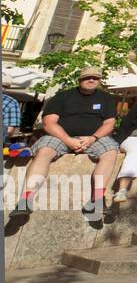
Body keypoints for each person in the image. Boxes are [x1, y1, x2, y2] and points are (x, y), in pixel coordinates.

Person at [15, 68, 119, 218]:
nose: (91, 80)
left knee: (110, 151)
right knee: (44, 151)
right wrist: (68, 140)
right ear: (80, 79)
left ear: (99, 80)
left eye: (95, 78)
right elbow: (49, 123)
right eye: (87, 77)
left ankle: (97, 199)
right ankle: (26, 199)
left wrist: (93, 138)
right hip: (61, 136)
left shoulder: (106, 98)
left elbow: (109, 123)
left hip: (93, 138)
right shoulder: (63, 96)